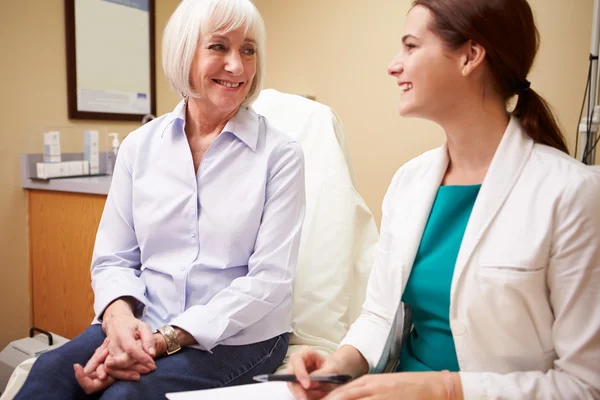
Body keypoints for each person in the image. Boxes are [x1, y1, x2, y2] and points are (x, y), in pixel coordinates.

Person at [287, 0, 600, 399]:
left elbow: (585, 385)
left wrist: (442, 388)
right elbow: (378, 314)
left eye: (411, 46)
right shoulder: (409, 182)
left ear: (470, 56)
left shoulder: (571, 193)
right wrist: (339, 366)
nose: (394, 65)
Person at [15, 0, 306, 398]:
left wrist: (163, 340)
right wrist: (118, 322)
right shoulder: (140, 147)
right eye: (219, 47)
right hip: (144, 318)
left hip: (238, 336)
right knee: (49, 372)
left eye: (248, 50)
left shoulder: (280, 154)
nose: (237, 66)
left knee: (125, 395)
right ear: (185, 53)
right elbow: (113, 258)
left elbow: (269, 281)